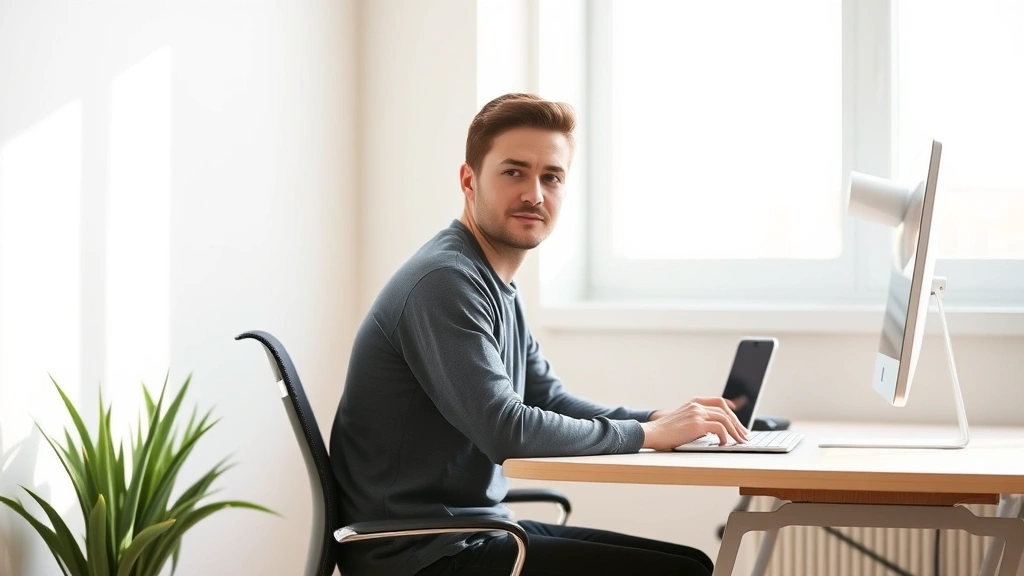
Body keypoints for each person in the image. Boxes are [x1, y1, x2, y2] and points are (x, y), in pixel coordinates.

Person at [329, 93, 749, 576]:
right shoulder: (444, 281)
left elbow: (547, 399)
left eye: (551, 176)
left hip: (473, 531)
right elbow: (506, 430)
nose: (534, 193)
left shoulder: (495, 281)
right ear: (469, 181)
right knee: (684, 573)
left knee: (689, 562)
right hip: (419, 553)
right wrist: (649, 434)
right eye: (514, 172)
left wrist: (665, 420)